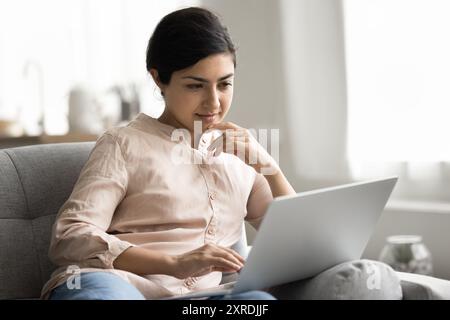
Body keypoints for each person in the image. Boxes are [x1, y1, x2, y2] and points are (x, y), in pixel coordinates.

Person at [41, 7, 295, 300]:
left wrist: (269, 167)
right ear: (159, 78)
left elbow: (296, 242)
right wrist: (174, 264)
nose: (214, 102)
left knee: (258, 303)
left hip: (202, 300)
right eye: (195, 85)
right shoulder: (122, 144)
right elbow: (70, 236)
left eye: (224, 84)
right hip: (119, 285)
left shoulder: (243, 153)